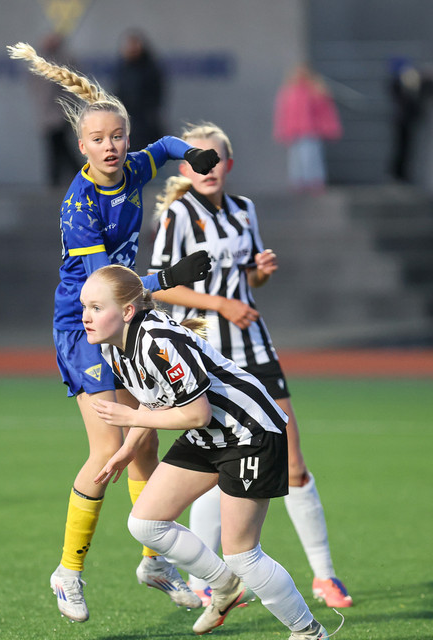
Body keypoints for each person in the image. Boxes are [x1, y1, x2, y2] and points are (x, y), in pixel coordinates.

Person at [6, 42, 218, 623]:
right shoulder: (79, 205)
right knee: (107, 450)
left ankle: (155, 560)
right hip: (87, 324)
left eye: (118, 136)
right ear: (82, 147)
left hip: (121, 319)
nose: (110, 146)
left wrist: (191, 155)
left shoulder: (133, 169)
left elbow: (165, 147)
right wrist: (170, 277)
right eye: (98, 139)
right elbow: (108, 287)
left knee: (144, 443)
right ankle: (67, 572)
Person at [148, 122, 353, 610]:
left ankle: (324, 576)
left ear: (229, 164)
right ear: (185, 169)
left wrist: (259, 273)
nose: (208, 168)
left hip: (255, 349)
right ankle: (205, 582)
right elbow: (159, 284)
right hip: (205, 353)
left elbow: (249, 280)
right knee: (213, 462)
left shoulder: (244, 209)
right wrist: (220, 305)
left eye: (215, 159)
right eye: (197, 160)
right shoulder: (179, 215)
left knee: (294, 462)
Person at [85, 264, 337, 640]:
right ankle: (226, 587)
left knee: (242, 554)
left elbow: (196, 414)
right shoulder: (113, 347)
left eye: (96, 307)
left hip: (250, 432)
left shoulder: (158, 341)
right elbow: (156, 400)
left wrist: (130, 416)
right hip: (210, 434)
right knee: (145, 523)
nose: (86, 317)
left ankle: (309, 633)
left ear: (127, 311)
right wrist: (128, 447)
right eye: (84, 307)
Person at [273, 64, 342, 193]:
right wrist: (283, 130)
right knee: (296, 159)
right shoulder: (290, 91)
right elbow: (284, 113)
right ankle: (299, 182)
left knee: (311, 157)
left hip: (310, 130)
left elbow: (324, 111)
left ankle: (314, 181)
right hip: (295, 131)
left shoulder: (315, 90)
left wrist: (328, 127)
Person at [28, 32, 82, 186]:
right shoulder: (40, 62)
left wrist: (68, 109)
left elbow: (74, 89)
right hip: (47, 115)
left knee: (62, 148)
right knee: (56, 149)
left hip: (61, 114)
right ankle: (58, 181)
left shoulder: (65, 61)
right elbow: (35, 87)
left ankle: (61, 180)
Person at [113, 29, 166, 152]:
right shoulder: (122, 69)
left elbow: (157, 95)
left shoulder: (150, 68)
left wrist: (150, 115)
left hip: (146, 124)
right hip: (127, 121)